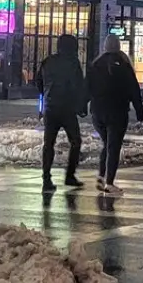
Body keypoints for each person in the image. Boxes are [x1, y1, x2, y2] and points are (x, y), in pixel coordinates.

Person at [88, 34, 143, 197]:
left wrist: (82, 106)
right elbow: (134, 90)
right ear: (118, 46)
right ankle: (109, 182)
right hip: (117, 112)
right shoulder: (124, 65)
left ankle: (101, 175)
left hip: (97, 112)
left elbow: (88, 87)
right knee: (113, 146)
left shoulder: (96, 64)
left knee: (107, 143)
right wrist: (140, 112)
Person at [37, 34, 88, 191]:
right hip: (67, 108)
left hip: (50, 107)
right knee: (75, 141)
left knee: (49, 144)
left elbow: (39, 83)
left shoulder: (48, 61)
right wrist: (81, 106)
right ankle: (70, 175)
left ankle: (46, 177)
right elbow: (79, 85)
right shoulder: (73, 63)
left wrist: (46, 96)